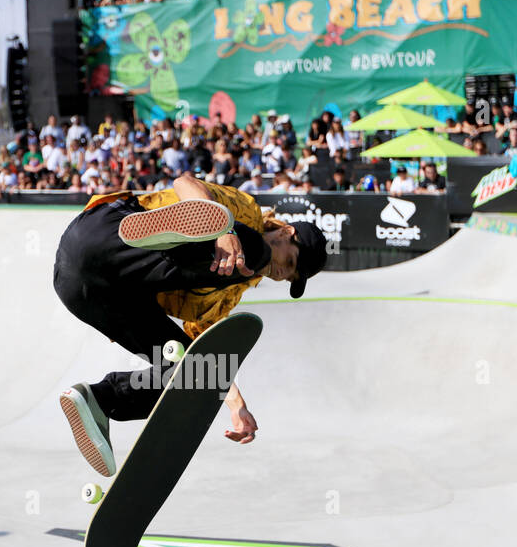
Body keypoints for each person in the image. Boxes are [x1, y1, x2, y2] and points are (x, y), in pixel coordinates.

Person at [52, 177, 327, 475]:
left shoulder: (230, 291)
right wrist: (226, 230)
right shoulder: (247, 211)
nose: (281, 273)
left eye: (287, 277)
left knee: (192, 376)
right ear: (287, 232)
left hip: (86, 290)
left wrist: (235, 405)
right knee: (255, 250)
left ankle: (99, 401)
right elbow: (184, 182)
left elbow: (202, 351)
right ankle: (182, 235)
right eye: (289, 262)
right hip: (108, 233)